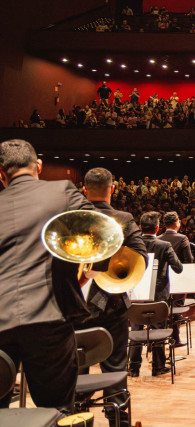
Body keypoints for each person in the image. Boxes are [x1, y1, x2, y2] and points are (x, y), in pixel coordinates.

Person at [0, 140, 96, 412]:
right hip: (49, 317)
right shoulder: (62, 191)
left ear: (1, 173)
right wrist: (82, 273)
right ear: (38, 166)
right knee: (56, 412)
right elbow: (98, 233)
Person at [79, 167, 148, 427]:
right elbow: (140, 256)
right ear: (113, 188)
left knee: (77, 367)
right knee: (116, 367)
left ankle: (79, 419)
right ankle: (118, 420)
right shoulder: (123, 217)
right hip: (111, 303)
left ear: (84, 190)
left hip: (75, 302)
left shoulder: (71, 218)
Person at [128, 212, 183, 377]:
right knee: (159, 329)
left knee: (136, 331)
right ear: (158, 228)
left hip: (136, 293)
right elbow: (179, 268)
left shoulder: (132, 245)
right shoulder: (164, 245)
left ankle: (133, 368)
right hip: (158, 296)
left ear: (140, 228)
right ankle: (158, 366)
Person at [158, 211, 194, 346]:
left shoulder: (159, 238)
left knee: (163, 309)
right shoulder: (182, 238)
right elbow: (188, 260)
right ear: (176, 223)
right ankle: (175, 339)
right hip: (178, 277)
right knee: (177, 308)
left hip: (162, 280)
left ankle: (162, 338)